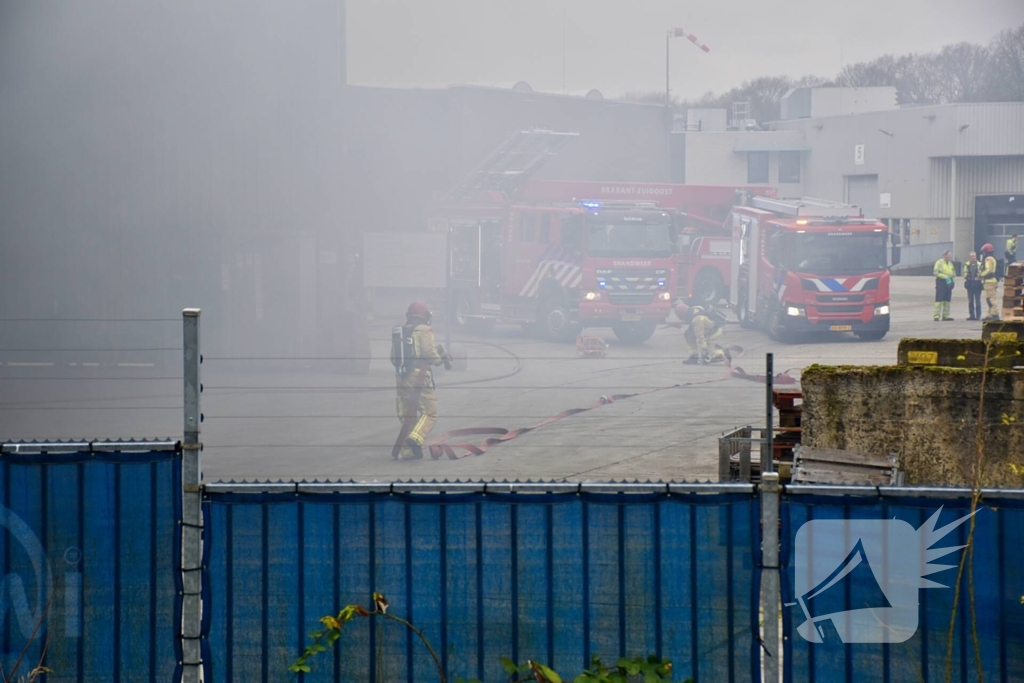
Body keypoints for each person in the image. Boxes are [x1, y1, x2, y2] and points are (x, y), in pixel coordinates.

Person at [390, 301, 451, 460]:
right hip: (418, 378)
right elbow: (430, 355)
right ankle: (415, 439)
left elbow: (392, 358)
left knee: (407, 415)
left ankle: (408, 452)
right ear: (425, 316)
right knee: (430, 412)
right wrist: (441, 358)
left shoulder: (400, 331)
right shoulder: (424, 330)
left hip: (400, 378)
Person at [932, 250, 955, 321]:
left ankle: (946, 316)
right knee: (939, 299)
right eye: (948, 255)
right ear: (944, 255)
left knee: (947, 299)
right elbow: (935, 273)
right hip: (941, 282)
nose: (950, 257)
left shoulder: (950, 263)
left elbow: (953, 273)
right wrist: (945, 277)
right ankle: (936, 316)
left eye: (950, 255)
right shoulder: (939, 263)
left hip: (949, 282)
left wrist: (952, 282)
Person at [980, 243, 1000, 321]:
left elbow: (988, 270)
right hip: (992, 281)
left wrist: (981, 275)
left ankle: (995, 314)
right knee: (989, 299)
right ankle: (990, 314)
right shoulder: (992, 258)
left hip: (989, 281)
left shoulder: (988, 259)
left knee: (991, 299)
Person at [964, 251, 982, 321]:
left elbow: (981, 273)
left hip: (977, 285)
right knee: (970, 300)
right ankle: (972, 315)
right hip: (970, 285)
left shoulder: (979, 264)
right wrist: (967, 275)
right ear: (969, 257)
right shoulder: (967, 265)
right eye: (972, 256)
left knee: (977, 300)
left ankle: (978, 316)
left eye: (974, 256)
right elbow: (964, 274)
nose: (973, 257)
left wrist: (979, 275)